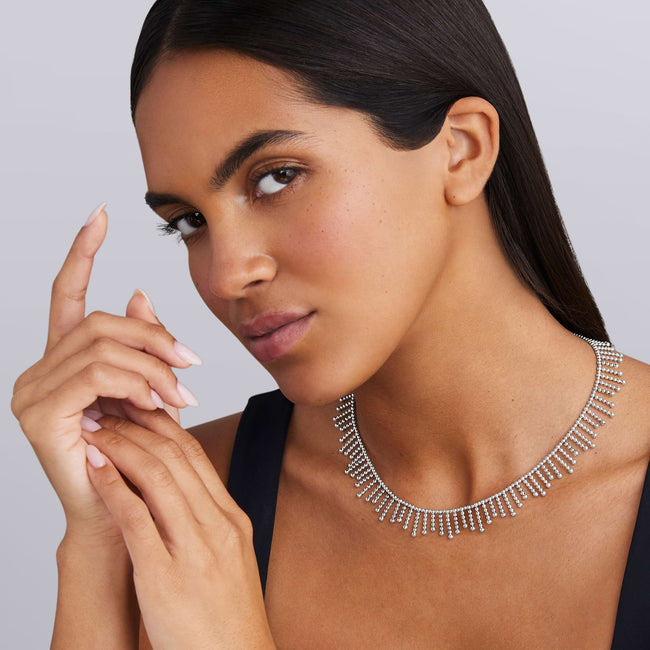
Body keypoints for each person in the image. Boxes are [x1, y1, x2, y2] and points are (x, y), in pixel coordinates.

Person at [10, 0, 650, 647]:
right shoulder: (186, 512)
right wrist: (99, 539)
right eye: (189, 221)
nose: (226, 275)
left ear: (462, 149)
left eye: (277, 178)